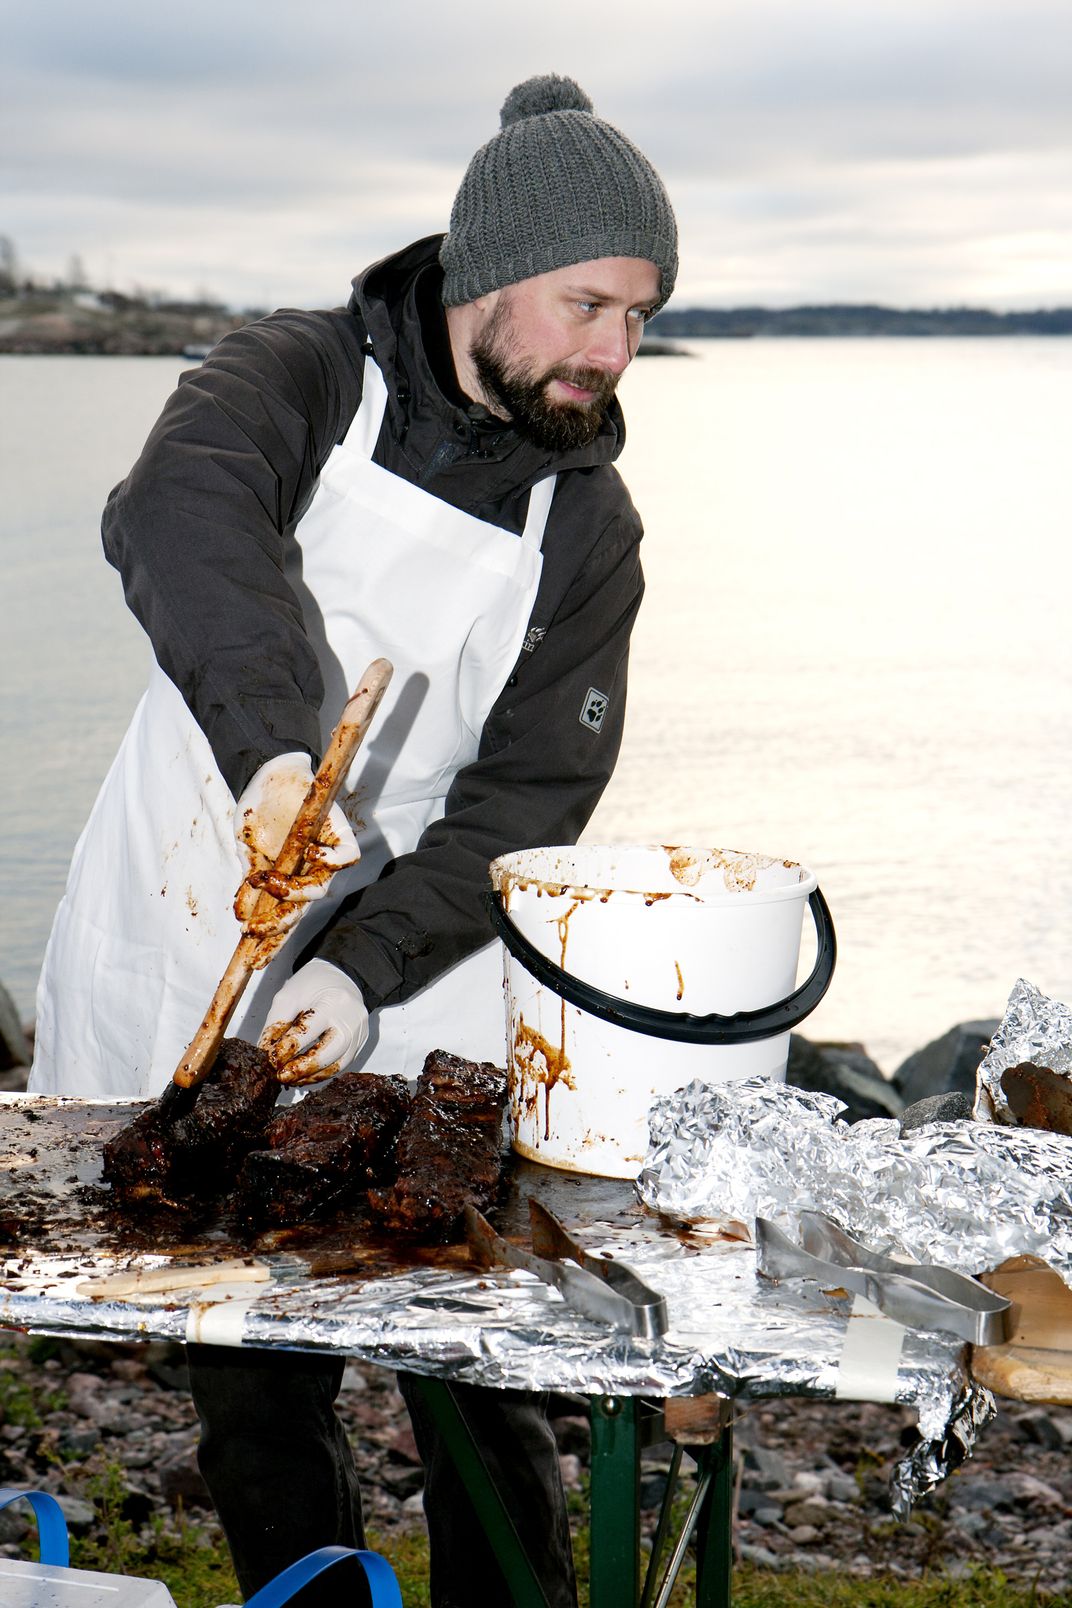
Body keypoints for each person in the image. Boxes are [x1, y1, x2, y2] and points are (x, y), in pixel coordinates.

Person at [31, 72, 677, 1607]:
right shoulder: (299, 372)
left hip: (432, 932)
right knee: (244, 1336)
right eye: (589, 304)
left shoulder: (587, 526)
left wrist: (372, 959)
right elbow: (180, 510)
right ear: (482, 271)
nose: (614, 351)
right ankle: (303, 1591)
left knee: (469, 1339)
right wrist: (272, 749)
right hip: (211, 860)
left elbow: (529, 799)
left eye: (641, 316)